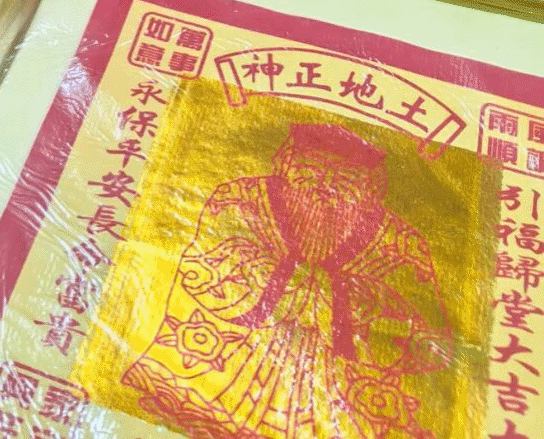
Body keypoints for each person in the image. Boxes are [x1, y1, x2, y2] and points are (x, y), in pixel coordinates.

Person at [123, 121, 453, 439]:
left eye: (345, 177)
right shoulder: (242, 197)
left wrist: (341, 297)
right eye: (313, 170)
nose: (326, 185)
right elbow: (203, 262)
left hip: (337, 386)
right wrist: (280, 277)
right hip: (231, 356)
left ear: (370, 186)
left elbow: (428, 334)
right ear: (288, 162)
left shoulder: (398, 242)